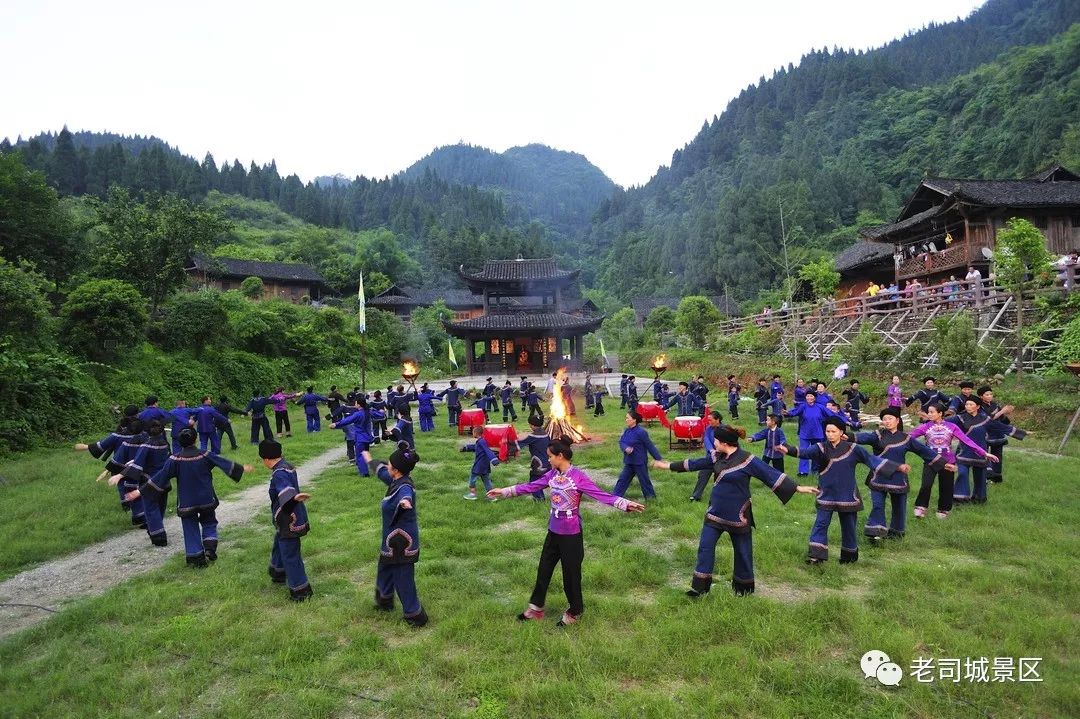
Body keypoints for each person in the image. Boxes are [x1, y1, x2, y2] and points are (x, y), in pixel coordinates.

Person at [487, 440, 645, 625]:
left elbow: (601, 494)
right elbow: (532, 486)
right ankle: (536, 608)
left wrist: (625, 504)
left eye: (550, 456)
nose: (548, 459)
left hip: (571, 535)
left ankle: (575, 611)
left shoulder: (578, 477)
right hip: (553, 531)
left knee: (571, 575)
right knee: (543, 570)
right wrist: (505, 491)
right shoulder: (552, 475)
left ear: (560, 456)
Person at [654, 425, 816, 595]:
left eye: (716, 440)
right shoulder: (717, 457)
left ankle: (743, 588)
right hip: (715, 513)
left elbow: (769, 474)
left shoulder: (748, 459)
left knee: (743, 553)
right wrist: (667, 466)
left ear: (724, 442)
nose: (713, 443)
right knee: (705, 548)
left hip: (739, 515)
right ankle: (699, 588)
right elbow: (695, 464)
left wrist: (797, 488)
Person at [777, 417, 908, 564]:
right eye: (827, 431)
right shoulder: (821, 448)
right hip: (826, 493)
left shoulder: (853, 449)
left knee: (848, 527)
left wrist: (897, 467)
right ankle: (816, 556)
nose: (830, 434)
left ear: (841, 432)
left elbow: (872, 460)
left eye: (833, 431)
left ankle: (849, 556)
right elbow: (804, 452)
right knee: (820, 524)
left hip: (848, 496)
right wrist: (787, 449)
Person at [125, 427, 250, 568]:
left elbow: (161, 476)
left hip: (187, 501)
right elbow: (222, 462)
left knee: (190, 527)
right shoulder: (205, 455)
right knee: (209, 522)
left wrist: (140, 491)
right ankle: (209, 547)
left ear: (179, 442)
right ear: (196, 439)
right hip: (206, 498)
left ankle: (196, 558)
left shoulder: (175, 459)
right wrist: (241, 468)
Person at [852, 408, 950, 540]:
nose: (887, 422)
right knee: (878, 505)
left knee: (899, 507)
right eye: (885, 419)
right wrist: (846, 436)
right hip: (879, 475)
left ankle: (896, 533)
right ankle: (875, 532)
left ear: (897, 420)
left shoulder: (906, 438)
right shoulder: (877, 435)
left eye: (890, 419)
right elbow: (862, 437)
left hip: (898, 478)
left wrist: (944, 463)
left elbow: (923, 450)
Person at [362, 444, 428, 627]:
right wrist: (369, 459)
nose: (387, 466)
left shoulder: (404, 487)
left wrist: (405, 502)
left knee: (402, 576)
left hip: (401, 541)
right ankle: (385, 600)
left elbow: (405, 495)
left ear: (397, 470)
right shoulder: (395, 480)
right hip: (391, 539)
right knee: (385, 567)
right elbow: (382, 472)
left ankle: (415, 615)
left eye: (389, 464)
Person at [907, 402, 995, 519]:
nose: (929, 414)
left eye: (932, 412)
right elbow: (907, 437)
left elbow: (967, 441)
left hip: (948, 461)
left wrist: (984, 453)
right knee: (926, 485)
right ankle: (921, 507)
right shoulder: (925, 427)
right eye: (928, 412)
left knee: (946, 486)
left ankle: (943, 509)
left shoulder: (952, 426)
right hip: (931, 460)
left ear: (940, 413)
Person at [260, 439, 313, 602]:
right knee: (279, 542)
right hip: (292, 516)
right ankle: (278, 571)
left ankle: (301, 590)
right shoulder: (287, 466)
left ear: (267, 459)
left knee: (290, 554)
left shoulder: (279, 473)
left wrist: (292, 499)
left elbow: (286, 491)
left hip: (288, 518)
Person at [947, 396, 1026, 504]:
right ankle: (960, 499)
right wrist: (930, 419)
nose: (968, 406)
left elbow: (1001, 426)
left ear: (977, 406)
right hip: (964, 452)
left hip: (981, 452)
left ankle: (979, 498)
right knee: (963, 474)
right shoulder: (960, 418)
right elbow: (944, 422)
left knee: (980, 477)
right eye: (966, 404)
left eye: (971, 404)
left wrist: (1022, 433)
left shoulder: (985, 419)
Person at [111, 419, 172, 545]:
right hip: (163, 481)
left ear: (147, 431)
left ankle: (159, 537)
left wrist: (119, 475)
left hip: (148, 482)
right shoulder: (165, 444)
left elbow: (138, 466)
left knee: (150, 509)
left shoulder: (146, 446)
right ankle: (157, 529)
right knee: (161, 507)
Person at [783, 390, 848, 477]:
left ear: (814, 397)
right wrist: (787, 413)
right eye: (807, 396)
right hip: (805, 434)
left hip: (817, 434)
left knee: (817, 452)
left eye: (811, 396)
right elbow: (794, 412)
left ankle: (815, 470)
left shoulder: (820, 407)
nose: (809, 398)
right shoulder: (803, 406)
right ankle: (803, 472)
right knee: (803, 451)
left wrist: (844, 420)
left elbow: (831, 414)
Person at [614, 411, 663, 499]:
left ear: (634, 420)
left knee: (644, 481)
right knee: (622, 479)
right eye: (626, 418)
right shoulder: (626, 431)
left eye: (628, 418)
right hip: (629, 461)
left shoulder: (641, 432)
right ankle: (614, 498)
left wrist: (658, 458)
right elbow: (621, 442)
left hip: (639, 462)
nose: (626, 420)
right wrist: (626, 448)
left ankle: (651, 498)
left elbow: (649, 445)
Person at [978, 386, 1017, 483]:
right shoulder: (979, 407)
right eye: (987, 395)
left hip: (998, 434)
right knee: (985, 455)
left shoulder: (995, 404)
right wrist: (1002, 411)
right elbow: (988, 419)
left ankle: (996, 478)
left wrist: (1006, 414)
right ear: (981, 396)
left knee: (998, 456)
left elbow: (1002, 417)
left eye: (991, 394)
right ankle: (985, 478)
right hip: (985, 433)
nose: (989, 396)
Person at [331, 396, 374, 476]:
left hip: (360, 438)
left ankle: (364, 473)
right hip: (367, 437)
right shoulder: (368, 411)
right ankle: (365, 470)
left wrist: (335, 424)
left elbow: (347, 420)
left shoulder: (358, 414)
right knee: (365, 454)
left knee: (360, 455)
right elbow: (378, 414)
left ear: (359, 404)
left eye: (356, 403)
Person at [689, 410, 723, 501]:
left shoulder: (725, 429)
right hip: (710, 457)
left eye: (710, 420)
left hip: (723, 459)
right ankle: (696, 496)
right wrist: (711, 450)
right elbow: (706, 439)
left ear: (717, 420)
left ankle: (720, 497)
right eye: (708, 420)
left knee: (720, 477)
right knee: (703, 474)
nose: (709, 422)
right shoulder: (708, 428)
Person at [462, 425, 500, 501]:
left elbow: (487, 450)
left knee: (472, 478)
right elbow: (476, 447)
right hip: (485, 465)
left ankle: (472, 494)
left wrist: (494, 459)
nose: (472, 434)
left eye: (473, 432)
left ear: (475, 433)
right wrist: (466, 448)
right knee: (486, 480)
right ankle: (491, 496)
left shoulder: (481, 441)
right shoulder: (482, 441)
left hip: (479, 465)